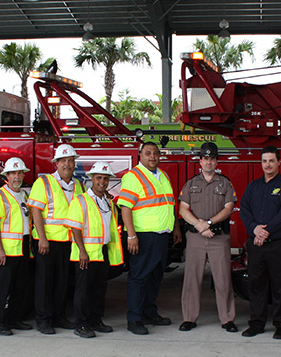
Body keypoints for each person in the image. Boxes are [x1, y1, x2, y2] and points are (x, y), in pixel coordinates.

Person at [117, 141, 181, 335]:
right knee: (139, 278)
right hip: (144, 236)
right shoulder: (133, 177)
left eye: (155, 153)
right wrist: (131, 235)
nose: (152, 156)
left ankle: (149, 313)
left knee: (155, 277)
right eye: (148, 153)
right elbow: (125, 207)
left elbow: (169, 204)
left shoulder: (162, 175)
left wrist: (176, 228)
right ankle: (134, 319)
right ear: (140, 155)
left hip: (162, 236)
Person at [239, 146, 281, 339]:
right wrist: (254, 228)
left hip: (279, 245)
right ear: (261, 163)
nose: (268, 164)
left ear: (279, 162)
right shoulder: (253, 187)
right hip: (256, 245)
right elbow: (244, 210)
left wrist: (266, 231)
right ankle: (256, 324)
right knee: (256, 286)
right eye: (264, 161)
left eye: (271, 160)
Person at [177, 142, 238, 333]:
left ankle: (227, 319)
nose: (208, 162)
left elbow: (228, 209)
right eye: (205, 158)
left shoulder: (225, 183)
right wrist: (199, 226)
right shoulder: (191, 183)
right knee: (191, 279)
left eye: (212, 158)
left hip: (218, 237)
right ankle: (189, 318)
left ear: (216, 161)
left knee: (223, 280)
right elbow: (182, 209)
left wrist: (209, 223)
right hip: (196, 237)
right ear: (200, 161)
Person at [28, 144, 84, 334]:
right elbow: (36, 211)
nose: (67, 164)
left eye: (70, 161)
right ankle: (43, 320)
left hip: (67, 241)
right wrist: (42, 238)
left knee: (62, 281)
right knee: (44, 282)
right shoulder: (43, 183)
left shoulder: (78, 185)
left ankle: (59, 317)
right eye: (63, 161)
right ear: (56, 163)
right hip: (47, 242)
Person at [65, 161, 123, 338]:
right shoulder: (80, 200)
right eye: (99, 178)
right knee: (83, 290)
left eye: (106, 179)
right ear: (91, 179)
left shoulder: (107, 201)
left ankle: (96, 320)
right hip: (86, 253)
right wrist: (82, 251)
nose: (102, 182)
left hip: (102, 251)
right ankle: (81, 324)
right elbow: (75, 227)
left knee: (99, 289)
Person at [0, 157, 35, 336]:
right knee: (2, 288)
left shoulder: (24, 195)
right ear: (7, 175)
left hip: (22, 247)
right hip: (6, 249)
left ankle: (14, 319)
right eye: (13, 173)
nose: (17, 177)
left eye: (20, 173)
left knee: (20, 287)